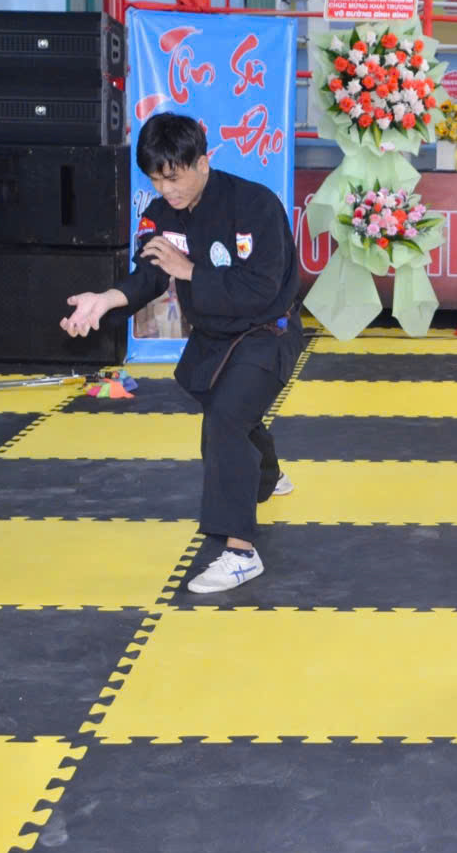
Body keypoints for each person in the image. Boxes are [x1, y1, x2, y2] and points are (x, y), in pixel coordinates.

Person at [60, 113, 304, 594]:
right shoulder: (162, 214)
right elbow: (149, 275)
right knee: (234, 413)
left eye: (173, 177)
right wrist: (106, 299)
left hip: (267, 330)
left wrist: (190, 271)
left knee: (225, 421)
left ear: (202, 163)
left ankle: (240, 553)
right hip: (214, 335)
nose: (165, 189)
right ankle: (269, 474)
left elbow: (262, 288)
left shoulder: (255, 205)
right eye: (155, 179)